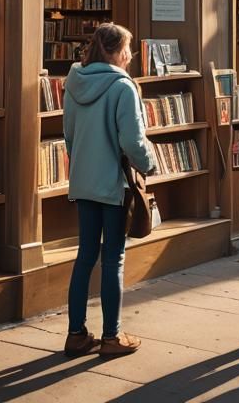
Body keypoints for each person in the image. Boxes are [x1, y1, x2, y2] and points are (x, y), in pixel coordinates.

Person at [63, 22, 155, 357]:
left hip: (84, 181)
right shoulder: (123, 88)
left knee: (85, 256)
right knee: (113, 258)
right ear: (115, 51)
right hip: (113, 184)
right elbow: (131, 140)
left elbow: (69, 135)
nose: (130, 56)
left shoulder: (74, 82)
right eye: (127, 49)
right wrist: (150, 164)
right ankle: (111, 337)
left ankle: (76, 335)